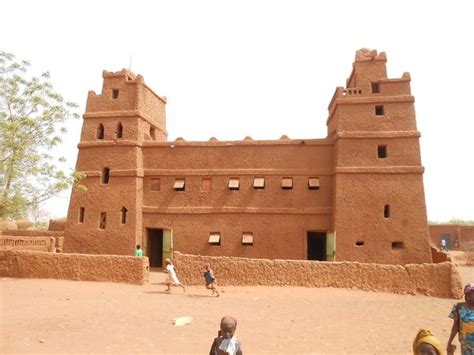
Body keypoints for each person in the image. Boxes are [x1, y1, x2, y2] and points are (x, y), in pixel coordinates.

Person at [447, 283, 474, 354]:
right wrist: (450, 342)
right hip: (466, 346)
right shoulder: (458, 307)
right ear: (467, 295)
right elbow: (455, 326)